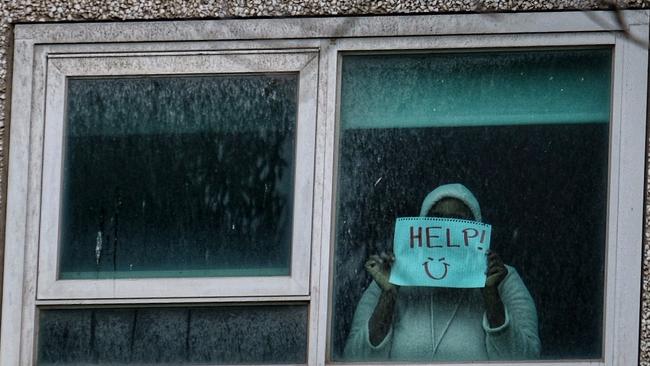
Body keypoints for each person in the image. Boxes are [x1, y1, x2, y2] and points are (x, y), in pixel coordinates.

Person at [344, 183, 541, 361]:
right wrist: (389, 294)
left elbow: (526, 359)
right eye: (436, 219)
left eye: (457, 220)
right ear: (421, 228)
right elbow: (354, 358)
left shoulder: (504, 279)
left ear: (475, 230)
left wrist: (491, 295)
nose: (445, 228)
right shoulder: (393, 275)